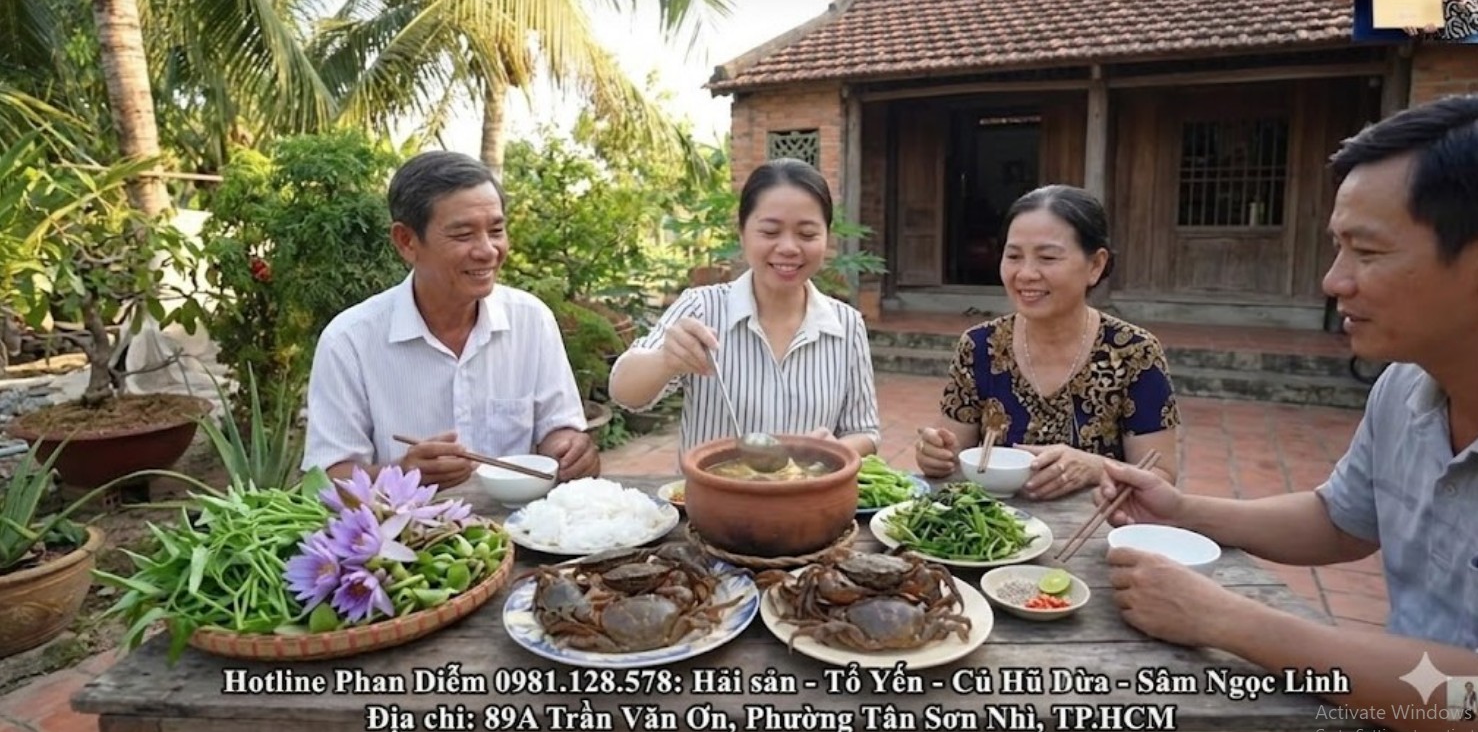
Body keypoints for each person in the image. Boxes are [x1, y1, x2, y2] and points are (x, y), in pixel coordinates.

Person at [1099, 95, 1478, 729]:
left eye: (1368, 252)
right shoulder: (1405, 387)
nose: (1334, 281)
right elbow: (1342, 521)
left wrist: (1229, 621)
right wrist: (1183, 511)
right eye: (1339, 248)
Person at [303, 151, 598, 488]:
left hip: (514, 520)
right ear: (406, 241)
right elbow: (327, 479)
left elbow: (558, 429)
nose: (487, 250)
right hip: (403, 523)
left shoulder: (531, 320)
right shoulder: (349, 341)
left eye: (496, 230)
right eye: (463, 235)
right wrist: (400, 475)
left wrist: (569, 449)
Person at [914, 185, 1180, 499]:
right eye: (1013, 256)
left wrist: (1095, 468)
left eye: (1048, 257)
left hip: (1096, 523)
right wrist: (935, 455)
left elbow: (1161, 477)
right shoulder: (979, 346)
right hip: (997, 525)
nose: (1026, 274)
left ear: (1095, 265)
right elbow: (952, 453)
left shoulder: (1134, 352)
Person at [609, 158, 880, 458]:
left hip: (807, 488)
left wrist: (831, 450)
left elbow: (864, 431)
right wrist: (665, 360)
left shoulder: (847, 325)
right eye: (770, 232)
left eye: (806, 234)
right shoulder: (701, 308)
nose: (788, 248)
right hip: (711, 489)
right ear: (742, 233)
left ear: (826, 237)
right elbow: (624, 392)